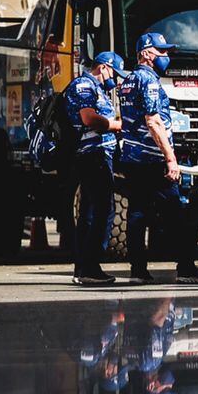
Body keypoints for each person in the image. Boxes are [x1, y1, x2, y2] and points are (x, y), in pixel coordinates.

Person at [116, 32, 198, 284]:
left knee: (137, 214)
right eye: (162, 52)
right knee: (176, 213)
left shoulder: (127, 81)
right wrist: (170, 158)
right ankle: (185, 267)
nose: (166, 57)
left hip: (133, 158)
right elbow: (153, 121)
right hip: (153, 159)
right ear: (147, 54)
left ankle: (138, 270)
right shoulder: (148, 81)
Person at [64, 50, 125, 286]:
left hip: (99, 155)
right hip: (92, 156)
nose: (116, 79)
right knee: (103, 210)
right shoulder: (84, 85)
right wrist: (116, 125)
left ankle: (84, 267)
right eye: (115, 73)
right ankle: (90, 265)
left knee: (90, 213)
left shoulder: (98, 89)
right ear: (103, 67)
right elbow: (89, 119)